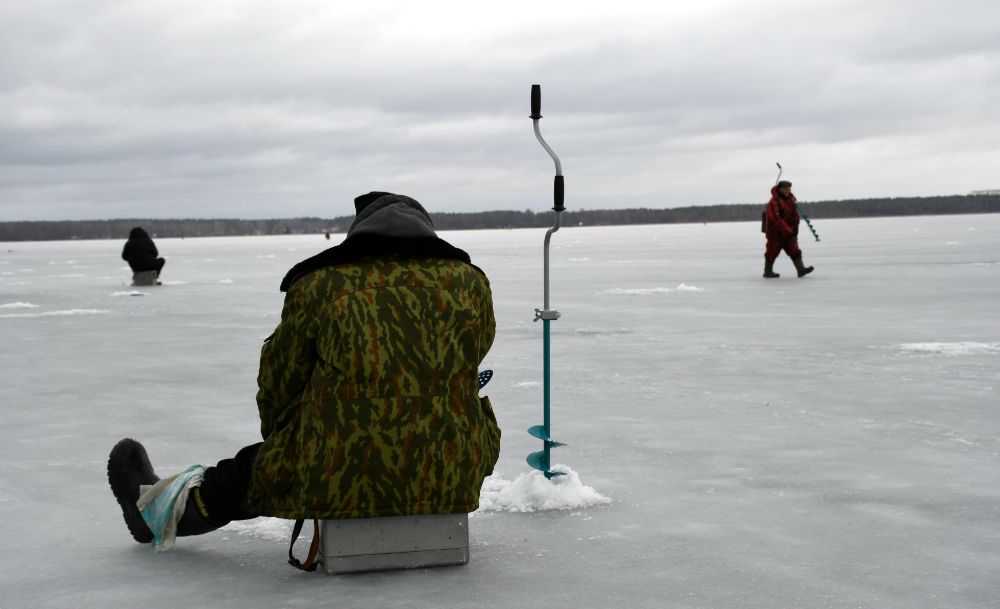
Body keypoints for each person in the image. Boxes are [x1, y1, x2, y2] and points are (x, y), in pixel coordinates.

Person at [108, 193, 500, 565]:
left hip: (338, 470)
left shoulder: (320, 285)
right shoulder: (470, 284)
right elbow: (475, 355)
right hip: (454, 465)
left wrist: (283, 445)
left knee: (240, 477)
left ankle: (155, 517)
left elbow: (280, 382)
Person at [763, 180, 814, 278]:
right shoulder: (774, 202)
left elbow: (794, 215)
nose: (787, 190)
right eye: (785, 188)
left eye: (789, 188)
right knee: (772, 252)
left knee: (795, 250)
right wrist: (787, 230)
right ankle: (768, 272)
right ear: (780, 189)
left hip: (789, 233)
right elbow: (776, 218)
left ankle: (801, 269)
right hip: (776, 234)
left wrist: (794, 227)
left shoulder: (791, 200)